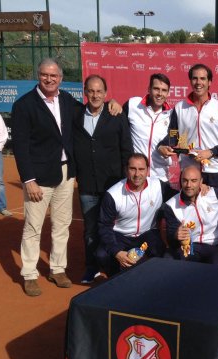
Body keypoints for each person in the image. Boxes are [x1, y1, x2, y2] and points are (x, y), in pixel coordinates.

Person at [12, 58, 82, 296]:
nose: (49, 79)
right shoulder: (24, 105)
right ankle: (30, 274)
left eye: (54, 76)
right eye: (45, 75)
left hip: (65, 172)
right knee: (33, 226)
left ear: (60, 78)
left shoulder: (67, 100)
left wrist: (111, 104)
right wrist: (28, 179)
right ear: (38, 76)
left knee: (62, 225)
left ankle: (57, 268)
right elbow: (20, 146)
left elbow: (87, 113)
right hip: (39, 177)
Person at [73, 74, 133, 284]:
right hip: (88, 185)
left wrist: (128, 177)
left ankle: (113, 264)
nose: (95, 95)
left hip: (114, 184)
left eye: (99, 91)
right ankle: (91, 268)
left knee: (114, 227)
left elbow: (126, 147)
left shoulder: (115, 115)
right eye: (91, 91)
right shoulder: (76, 116)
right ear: (85, 93)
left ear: (106, 94)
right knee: (90, 230)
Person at [158, 64, 218, 189]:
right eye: (195, 78)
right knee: (188, 208)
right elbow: (174, 135)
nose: (198, 82)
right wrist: (163, 146)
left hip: (214, 170)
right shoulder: (180, 108)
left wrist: (211, 152)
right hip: (189, 171)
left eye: (203, 78)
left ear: (210, 82)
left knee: (214, 208)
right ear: (190, 81)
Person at [97, 153, 177, 276]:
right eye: (132, 169)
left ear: (148, 170)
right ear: (126, 170)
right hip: (120, 235)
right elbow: (104, 226)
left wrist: (200, 187)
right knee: (102, 255)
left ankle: (151, 279)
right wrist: (117, 252)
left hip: (148, 233)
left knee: (161, 252)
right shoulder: (113, 194)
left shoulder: (159, 187)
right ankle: (114, 279)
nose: (137, 174)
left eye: (141, 169)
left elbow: (180, 196)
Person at [163, 165, 218, 265]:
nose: (189, 185)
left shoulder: (214, 194)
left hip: (215, 244)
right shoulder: (171, 205)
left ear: (201, 182)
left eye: (194, 181)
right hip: (189, 246)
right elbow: (171, 234)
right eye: (185, 180)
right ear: (180, 181)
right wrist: (176, 234)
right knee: (174, 266)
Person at [123, 73, 173, 181]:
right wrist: (112, 103)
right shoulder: (133, 105)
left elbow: (176, 140)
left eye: (164, 90)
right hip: (135, 177)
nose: (160, 94)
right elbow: (118, 128)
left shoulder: (172, 116)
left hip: (160, 178)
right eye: (156, 89)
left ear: (168, 93)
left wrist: (166, 146)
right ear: (149, 89)